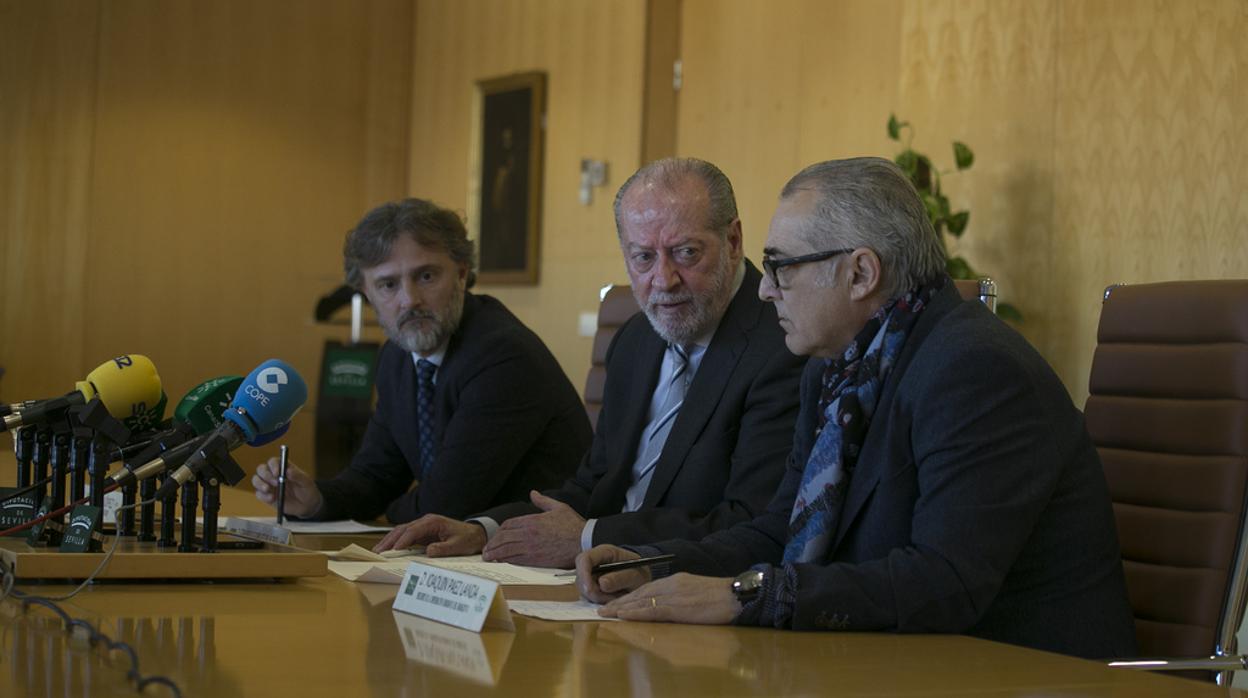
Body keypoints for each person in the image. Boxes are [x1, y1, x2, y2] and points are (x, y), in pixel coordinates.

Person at [576, 157, 1137, 659]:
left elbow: (943, 583)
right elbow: (777, 530)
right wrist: (650, 564)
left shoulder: (976, 370)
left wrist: (743, 594)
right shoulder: (837, 366)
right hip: (887, 662)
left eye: (781, 267)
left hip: (1020, 671)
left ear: (862, 273)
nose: (766, 290)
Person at [374, 158, 805, 568]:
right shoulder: (635, 339)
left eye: (686, 253)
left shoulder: (783, 345)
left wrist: (589, 538)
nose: (663, 280)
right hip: (597, 582)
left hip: (693, 588)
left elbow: (750, 521)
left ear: (733, 241)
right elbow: (592, 486)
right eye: (643, 257)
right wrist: (485, 530)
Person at [252, 198, 591, 523]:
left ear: (461, 273)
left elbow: (445, 505)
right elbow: (376, 476)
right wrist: (318, 500)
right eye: (388, 284)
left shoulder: (503, 356)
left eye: (426, 276)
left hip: (536, 561)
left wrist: (389, 513)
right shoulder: (396, 358)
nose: (409, 300)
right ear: (367, 295)